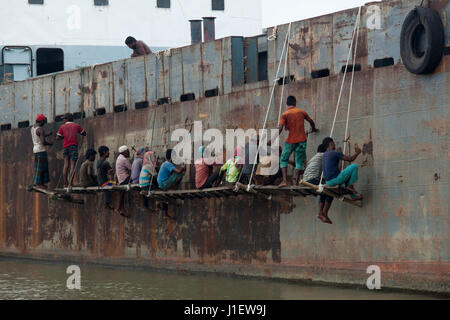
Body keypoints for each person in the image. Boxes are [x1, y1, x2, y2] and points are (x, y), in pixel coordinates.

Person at [276, 96, 317, 187]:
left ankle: (284, 181)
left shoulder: (285, 114)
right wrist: (313, 129)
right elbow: (311, 122)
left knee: (283, 159)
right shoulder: (302, 112)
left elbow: (280, 128)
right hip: (302, 140)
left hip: (291, 140)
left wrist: (273, 138)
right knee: (299, 161)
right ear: (295, 103)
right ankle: (296, 182)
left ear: (287, 104)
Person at [322, 137, 363, 203]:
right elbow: (350, 159)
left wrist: (339, 154)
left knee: (346, 176)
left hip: (328, 182)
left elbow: (335, 167)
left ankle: (354, 197)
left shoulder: (324, 155)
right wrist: (357, 153)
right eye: (334, 143)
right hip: (336, 179)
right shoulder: (334, 153)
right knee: (354, 166)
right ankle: (350, 186)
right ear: (331, 143)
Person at [303, 144, 335, 224]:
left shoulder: (314, 157)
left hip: (306, 180)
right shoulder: (324, 156)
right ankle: (324, 213)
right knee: (330, 191)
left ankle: (320, 213)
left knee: (323, 192)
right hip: (312, 180)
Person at [56, 113, 86, 187]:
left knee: (66, 165)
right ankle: (70, 183)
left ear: (67, 119)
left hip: (65, 147)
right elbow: (84, 133)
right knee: (73, 166)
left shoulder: (62, 127)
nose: (63, 120)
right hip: (73, 147)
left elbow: (57, 138)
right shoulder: (76, 126)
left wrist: (64, 137)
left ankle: (65, 183)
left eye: (64, 118)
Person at [31, 114, 52, 188]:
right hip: (41, 150)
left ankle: (40, 183)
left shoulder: (33, 128)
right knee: (42, 167)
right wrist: (50, 144)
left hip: (35, 149)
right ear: (41, 121)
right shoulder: (40, 129)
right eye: (44, 122)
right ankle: (39, 184)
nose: (44, 123)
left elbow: (39, 135)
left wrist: (47, 134)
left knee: (38, 166)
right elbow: (43, 142)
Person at [116, 145, 132, 217]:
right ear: (124, 152)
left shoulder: (119, 158)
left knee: (122, 194)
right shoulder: (124, 159)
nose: (129, 153)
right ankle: (120, 208)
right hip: (124, 179)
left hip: (120, 179)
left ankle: (120, 208)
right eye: (128, 151)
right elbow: (131, 168)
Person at [97, 146, 114, 210]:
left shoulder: (98, 161)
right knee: (118, 185)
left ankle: (107, 203)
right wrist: (113, 182)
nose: (109, 153)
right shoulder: (106, 162)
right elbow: (111, 173)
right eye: (108, 152)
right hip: (105, 183)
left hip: (100, 182)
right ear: (104, 152)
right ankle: (107, 203)